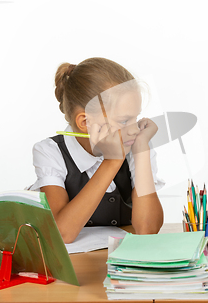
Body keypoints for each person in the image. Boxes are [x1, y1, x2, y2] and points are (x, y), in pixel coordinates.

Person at [30, 58, 164, 243]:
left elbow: (147, 229)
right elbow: (62, 233)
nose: (134, 129)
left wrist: (142, 152)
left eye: (136, 118)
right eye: (125, 121)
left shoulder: (136, 145)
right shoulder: (50, 152)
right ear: (85, 123)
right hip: (76, 265)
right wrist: (112, 161)